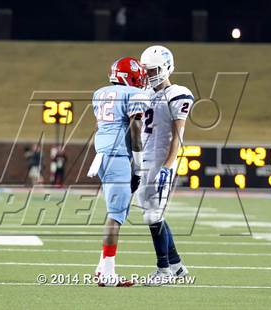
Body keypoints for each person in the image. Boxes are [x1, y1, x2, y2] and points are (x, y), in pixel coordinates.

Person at [87, 57, 148, 287]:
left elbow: (99, 125)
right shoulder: (134, 94)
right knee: (116, 215)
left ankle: (102, 268)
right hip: (118, 155)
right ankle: (109, 274)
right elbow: (135, 126)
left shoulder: (99, 93)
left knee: (116, 212)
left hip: (101, 153)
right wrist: (138, 166)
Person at [137, 45, 194, 286]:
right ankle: (178, 266)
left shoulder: (178, 93)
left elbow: (178, 136)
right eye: (148, 70)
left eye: (155, 69)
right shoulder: (145, 93)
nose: (150, 74)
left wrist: (167, 167)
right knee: (153, 215)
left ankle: (164, 271)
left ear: (168, 67)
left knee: (153, 216)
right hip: (145, 160)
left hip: (161, 162)